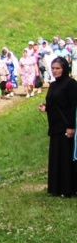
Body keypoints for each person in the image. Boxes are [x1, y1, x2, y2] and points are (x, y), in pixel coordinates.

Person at [39, 57, 77, 197]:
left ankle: (68, 189)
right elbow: (55, 103)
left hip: (66, 126)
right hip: (55, 126)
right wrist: (46, 107)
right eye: (53, 68)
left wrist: (71, 126)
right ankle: (56, 188)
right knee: (56, 156)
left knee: (66, 157)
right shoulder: (53, 85)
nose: (54, 71)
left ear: (64, 69)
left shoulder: (71, 84)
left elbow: (73, 106)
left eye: (58, 68)